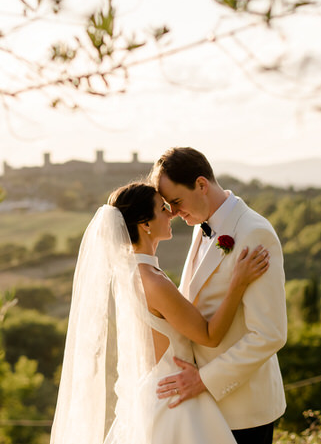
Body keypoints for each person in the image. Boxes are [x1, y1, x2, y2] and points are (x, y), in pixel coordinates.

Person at [50, 182, 270, 444]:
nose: (172, 213)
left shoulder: (129, 273)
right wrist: (238, 284)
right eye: (163, 208)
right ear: (145, 224)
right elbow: (210, 336)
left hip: (150, 395)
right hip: (175, 403)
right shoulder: (153, 282)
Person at [151, 147, 287, 444]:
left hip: (243, 408)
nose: (172, 213)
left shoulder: (254, 234)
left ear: (201, 185)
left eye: (176, 201)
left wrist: (204, 380)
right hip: (204, 406)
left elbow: (270, 334)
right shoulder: (202, 228)